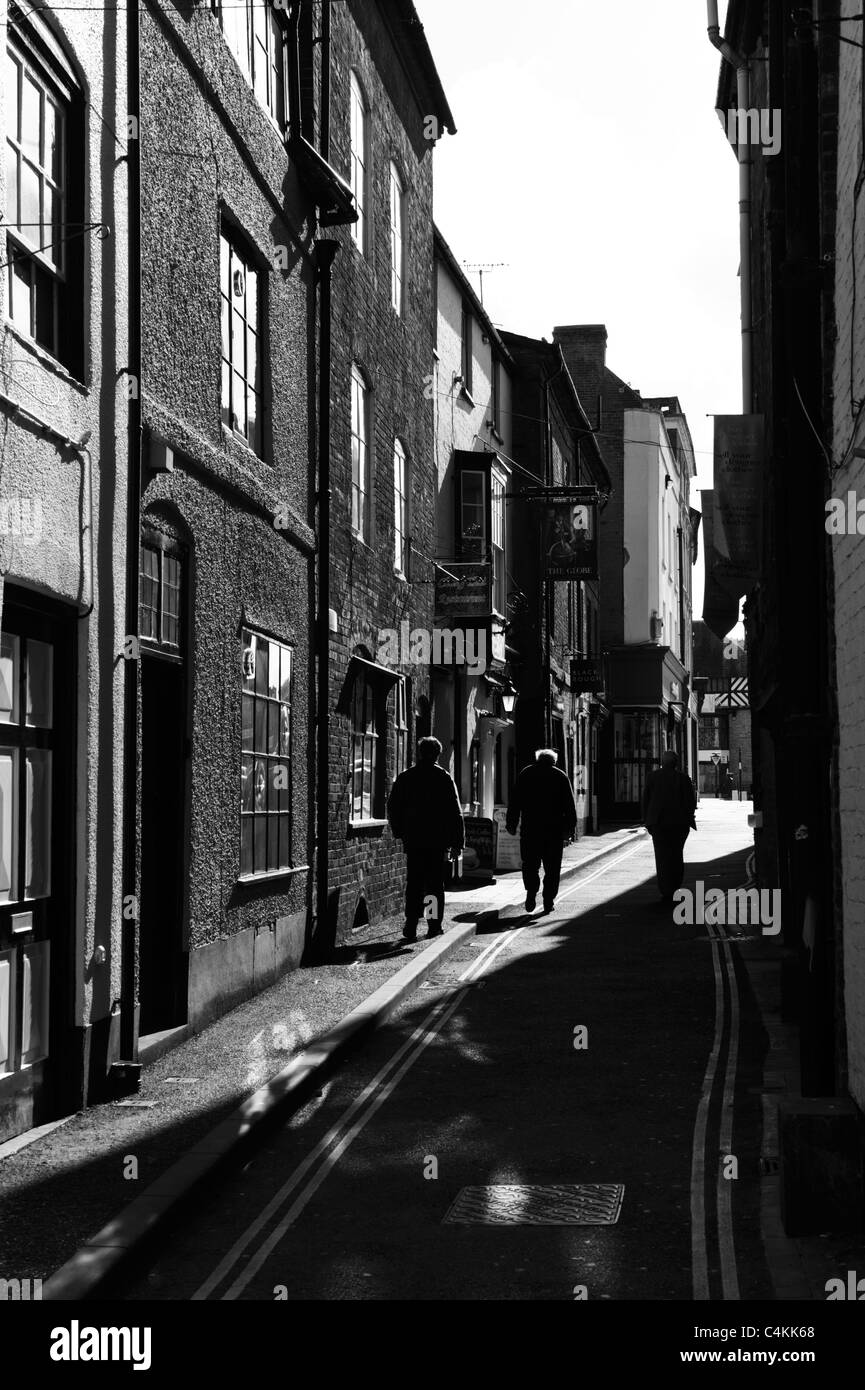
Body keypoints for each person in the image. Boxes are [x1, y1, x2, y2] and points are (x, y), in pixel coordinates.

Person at [387, 736, 465, 943]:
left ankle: (411, 924)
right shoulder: (443, 777)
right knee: (433, 884)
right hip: (437, 841)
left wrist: (400, 831)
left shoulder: (406, 777)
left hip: (414, 840)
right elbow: (454, 812)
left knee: (414, 882)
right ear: (438, 753)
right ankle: (433, 925)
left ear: (420, 752)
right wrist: (458, 842)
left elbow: (393, 806)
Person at [506, 748, 577, 914]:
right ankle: (548, 900)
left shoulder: (526, 773)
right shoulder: (560, 776)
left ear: (538, 759)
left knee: (530, 865)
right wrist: (570, 828)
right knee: (552, 868)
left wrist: (512, 823)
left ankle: (531, 891)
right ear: (553, 761)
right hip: (554, 831)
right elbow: (569, 805)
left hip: (530, 830)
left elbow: (515, 800)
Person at [642, 749, 697, 902]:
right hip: (679, 825)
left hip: (658, 825)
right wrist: (687, 817)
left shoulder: (652, 777)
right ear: (676, 763)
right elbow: (690, 803)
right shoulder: (683, 778)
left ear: (662, 762)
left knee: (661, 857)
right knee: (676, 856)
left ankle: (665, 889)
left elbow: (646, 800)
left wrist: (647, 821)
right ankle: (675, 886)